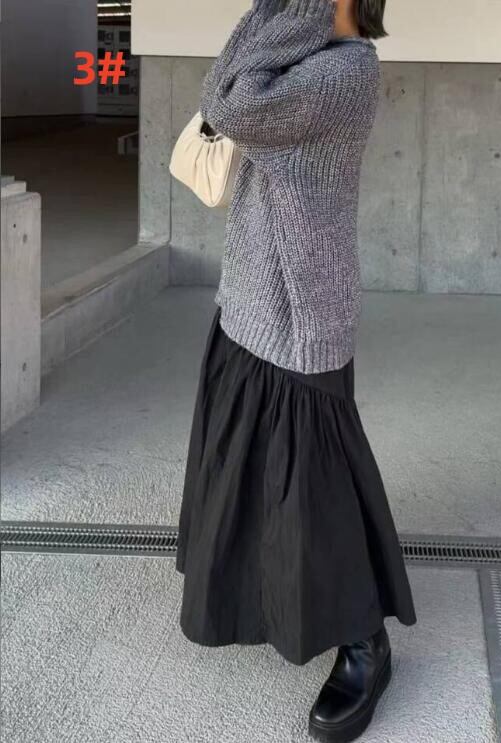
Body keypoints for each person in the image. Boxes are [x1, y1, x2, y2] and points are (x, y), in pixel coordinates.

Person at [174, 0, 417, 740]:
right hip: (253, 291)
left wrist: (284, 13)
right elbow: (224, 83)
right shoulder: (302, 57)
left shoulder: (345, 73)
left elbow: (227, 103)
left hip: (302, 306)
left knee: (317, 484)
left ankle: (366, 643)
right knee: (254, 464)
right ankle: (271, 595)